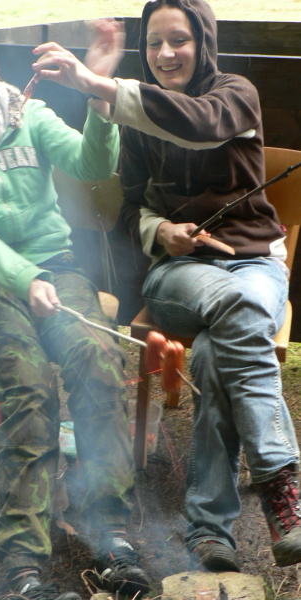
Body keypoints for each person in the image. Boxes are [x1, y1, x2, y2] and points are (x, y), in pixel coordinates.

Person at [32, 0, 301, 573]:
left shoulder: (235, 94)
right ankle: (281, 483)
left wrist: (97, 83)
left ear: (204, 42)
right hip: (179, 274)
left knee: (216, 352)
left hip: (255, 262)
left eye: (179, 39)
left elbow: (199, 125)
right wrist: (162, 231)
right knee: (237, 308)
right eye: (154, 42)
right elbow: (130, 208)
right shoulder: (137, 117)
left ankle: (209, 532)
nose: (166, 53)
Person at [0, 31, 152, 599]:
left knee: (98, 361)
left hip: (55, 265)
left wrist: (97, 93)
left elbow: (94, 164)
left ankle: (111, 532)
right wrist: (24, 278)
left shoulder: (31, 117)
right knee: (28, 387)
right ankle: (24, 568)